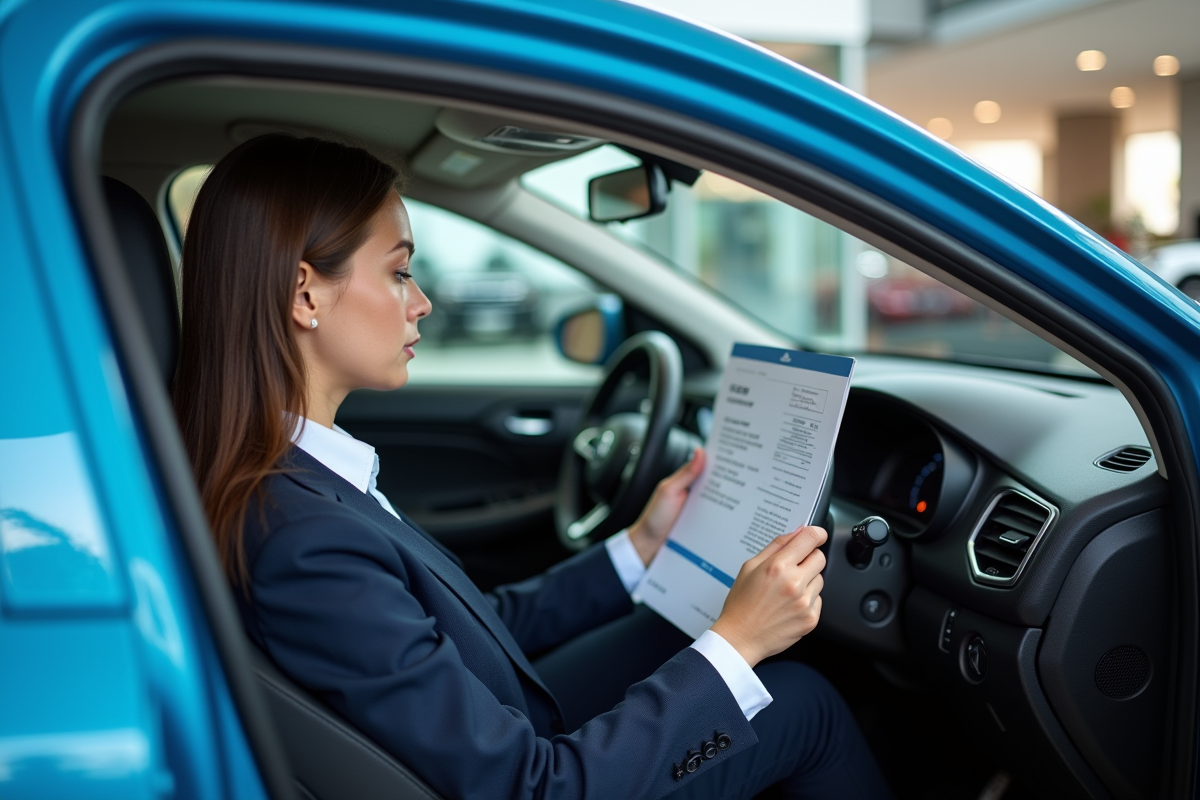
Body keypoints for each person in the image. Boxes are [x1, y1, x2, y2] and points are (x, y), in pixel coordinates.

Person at [172, 133, 891, 800]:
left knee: (680, 633)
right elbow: (533, 786)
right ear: (306, 294)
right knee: (802, 703)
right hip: (541, 771)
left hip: (504, 723)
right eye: (398, 272)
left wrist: (639, 547)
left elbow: (469, 628)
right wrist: (739, 641)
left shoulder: (300, 480)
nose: (422, 302)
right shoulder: (304, 539)